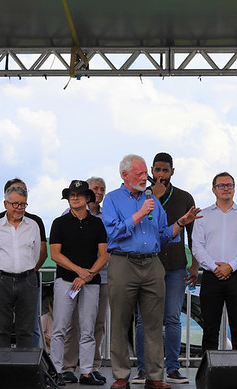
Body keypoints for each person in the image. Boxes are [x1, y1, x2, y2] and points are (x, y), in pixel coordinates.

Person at [101, 154, 201, 389]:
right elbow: (113, 234)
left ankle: (155, 377)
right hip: (123, 263)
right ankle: (121, 376)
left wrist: (181, 223)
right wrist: (138, 214)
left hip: (153, 264)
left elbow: (164, 235)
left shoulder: (153, 203)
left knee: (155, 323)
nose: (145, 178)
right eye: (139, 173)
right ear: (124, 175)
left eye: (145, 174)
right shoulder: (113, 199)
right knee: (120, 321)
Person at [133, 153, 198, 385]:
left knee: (172, 318)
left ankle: (172, 368)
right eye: (157, 170)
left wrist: (195, 265)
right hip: (147, 265)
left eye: (165, 170)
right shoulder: (141, 196)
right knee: (144, 320)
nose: (161, 175)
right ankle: (143, 369)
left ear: (172, 171)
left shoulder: (184, 197)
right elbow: (140, 225)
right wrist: (155, 199)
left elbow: (193, 235)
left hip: (176, 267)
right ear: (151, 170)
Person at [49, 180, 110, 386]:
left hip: (90, 282)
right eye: (71, 194)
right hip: (66, 281)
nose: (74, 197)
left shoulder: (97, 223)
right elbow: (55, 254)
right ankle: (57, 370)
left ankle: (86, 372)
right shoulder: (59, 222)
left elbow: (105, 254)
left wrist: (88, 275)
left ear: (87, 198)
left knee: (88, 328)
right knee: (60, 328)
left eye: (79, 194)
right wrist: (79, 272)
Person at [191, 172, 237, 351]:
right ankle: (208, 375)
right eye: (222, 185)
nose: (226, 188)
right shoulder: (203, 215)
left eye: (230, 185)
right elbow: (197, 246)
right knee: (210, 330)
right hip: (211, 277)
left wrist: (230, 266)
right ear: (214, 190)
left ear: (234, 188)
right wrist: (214, 267)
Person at [0, 178, 47, 348]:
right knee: (0, 331)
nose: (19, 208)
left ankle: (24, 373)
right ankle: (0, 372)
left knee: (26, 331)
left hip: (27, 281)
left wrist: (25, 271)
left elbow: (37, 255)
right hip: (1, 280)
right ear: (5, 204)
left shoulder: (33, 225)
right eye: (15, 204)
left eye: (23, 204)